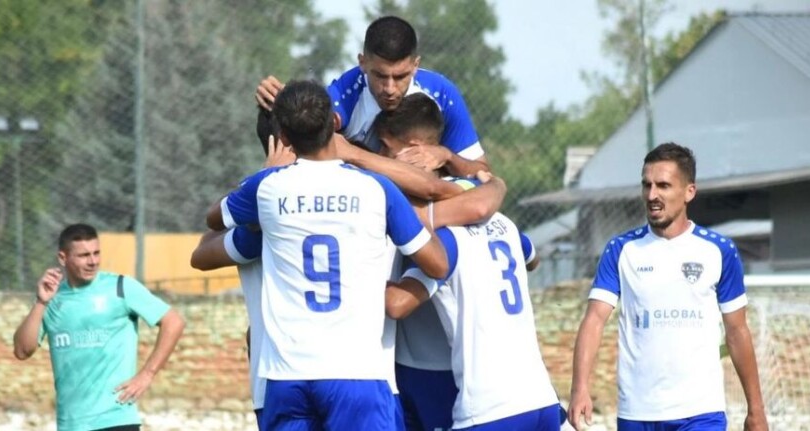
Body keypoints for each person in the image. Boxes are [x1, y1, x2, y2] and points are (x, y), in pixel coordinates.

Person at [206, 79, 449, 430]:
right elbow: (437, 264)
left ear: (284, 137)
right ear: (334, 126)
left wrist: (266, 175)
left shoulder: (266, 188)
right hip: (356, 374)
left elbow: (214, 219)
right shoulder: (376, 189)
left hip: (286, 376)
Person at [377, 93, 562, 430]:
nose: (381, 161)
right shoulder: (501, 219)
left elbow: (398, 303)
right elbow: (530, 257)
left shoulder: (443, 235)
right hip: (541, 398)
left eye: (385, 152)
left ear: (415, 151)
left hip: (485, 405)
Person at [567, 143, 768, 431]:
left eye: (663, 185)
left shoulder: (719, 250)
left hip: (701, 410)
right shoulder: (621, 249)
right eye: (646, 185)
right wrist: (579, 388)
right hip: (638, 411)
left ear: (689, 192)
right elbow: (595, 320)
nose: (652, 195)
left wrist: (756, 411)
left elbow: (737, 331)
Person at [255, 15, 488, 178]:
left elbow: (481, 172)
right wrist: (282, 104)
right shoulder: (343, 96)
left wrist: (446, 156)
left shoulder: (442, 94)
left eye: (400, 77)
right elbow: (299, 150)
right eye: (379, 75)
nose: (389, 88)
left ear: (416, 65)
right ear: (362, 62)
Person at [13, 223, 185, 431]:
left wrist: (147, 374)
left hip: (117, 419)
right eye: (84, 255)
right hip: (71, 424)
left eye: (96, 253)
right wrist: (41, 303)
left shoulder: (121, 287)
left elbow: (173, 322)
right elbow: (22, 351)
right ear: (63, 258)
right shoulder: (52, 299)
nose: (93, 261)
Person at [191, 107, 293, 425]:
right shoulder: (349, 194)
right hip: (344, 378)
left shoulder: (259, 212)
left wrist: (257, 184)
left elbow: (201, 253)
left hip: (276, 380)